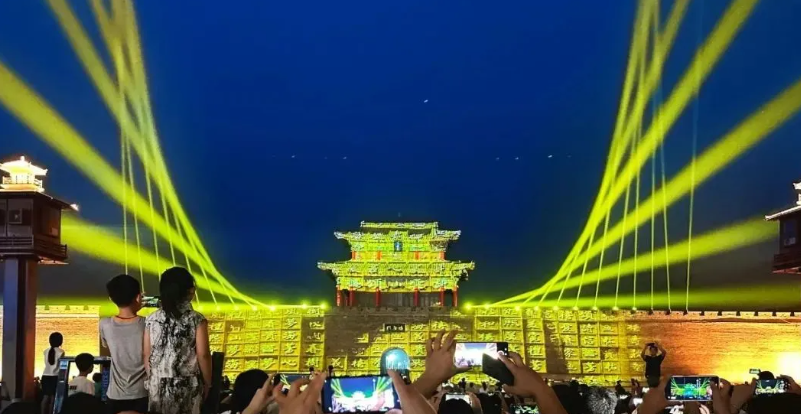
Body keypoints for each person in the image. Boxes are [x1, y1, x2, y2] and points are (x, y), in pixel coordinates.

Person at [144, 267, 212, 414]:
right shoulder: (196, 319)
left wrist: (154, 379)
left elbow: (147, 354)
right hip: (187, 385)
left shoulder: (152, 319)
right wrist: (208, 383)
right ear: (190, 291)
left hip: (157, 385)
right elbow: (204, 355)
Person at [100, 274, 148, 413]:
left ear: (111, 298)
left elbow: (107, 345)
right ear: (138, 297)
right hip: (142, 393)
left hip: (115, 395)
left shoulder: (105, 324)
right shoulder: (148, 324)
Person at [41, 331, 64, 414]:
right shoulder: (61, 352)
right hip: (55, 376)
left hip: (45, 375)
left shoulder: (45, 351)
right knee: (53, 398)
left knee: (45, 397)